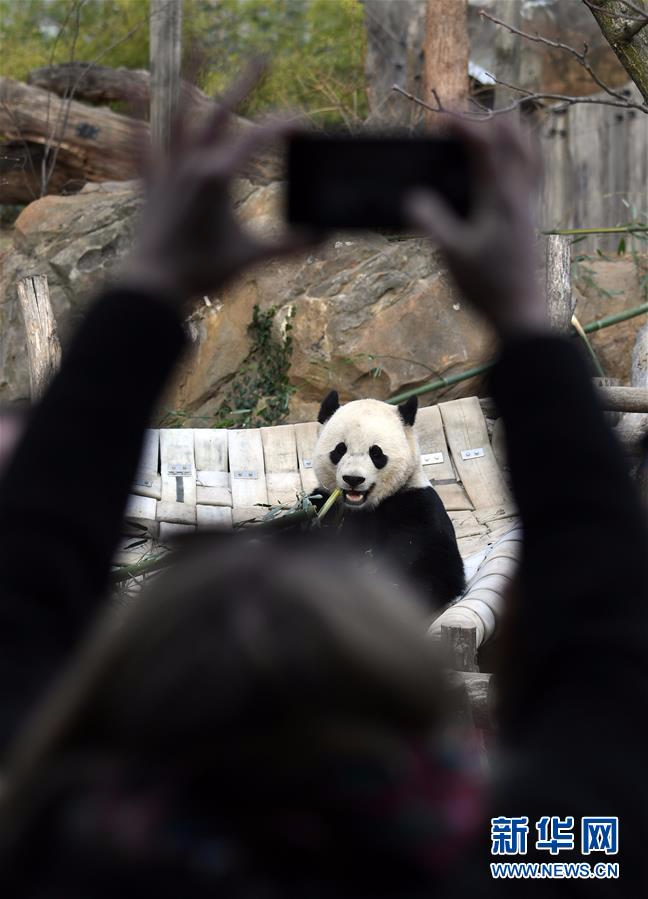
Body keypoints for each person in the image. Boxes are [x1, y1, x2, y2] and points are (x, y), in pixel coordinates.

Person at [0, 66, 646, 897]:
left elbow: (18, 604)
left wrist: (148, 288)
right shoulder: (523, 853)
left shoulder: (64, 851)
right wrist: (522, 319)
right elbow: (608, 662)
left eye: (368, 458)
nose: (351, 470)